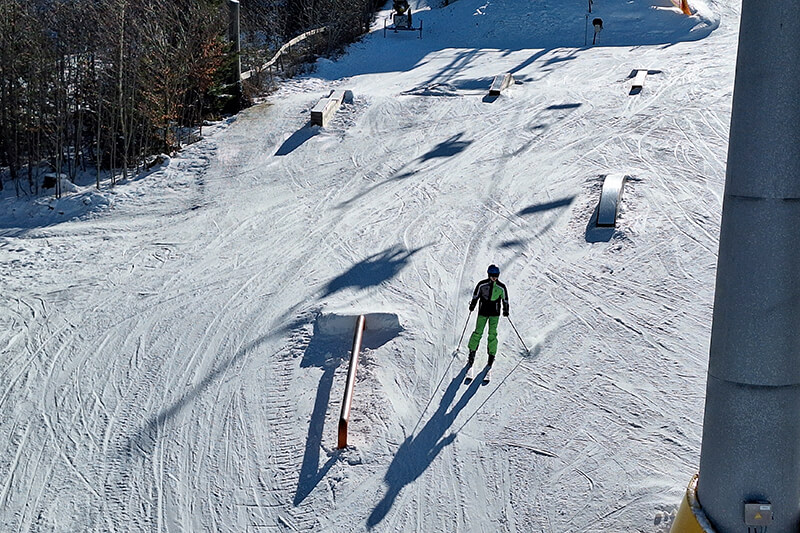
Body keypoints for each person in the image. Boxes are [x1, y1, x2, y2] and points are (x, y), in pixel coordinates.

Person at [466, 264, 509, 368]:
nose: (495, 277)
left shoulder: (501, 287)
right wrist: (473, 305)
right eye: (493, 275)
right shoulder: (482, 285)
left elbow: (505, 299)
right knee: (478, 332)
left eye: (496, 275)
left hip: (494, 313)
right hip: (483, 312)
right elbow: (476, 296)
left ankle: (491, 355)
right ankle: (472, 352)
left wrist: (506, 310)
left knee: (492, 334)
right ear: (489, 274)